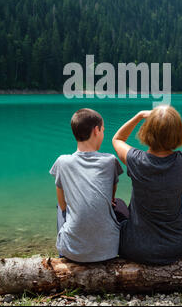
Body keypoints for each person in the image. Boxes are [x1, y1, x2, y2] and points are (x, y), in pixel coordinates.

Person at [112, 106, 182, 265]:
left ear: (148, 131)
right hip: (175, 247)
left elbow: (118, 139)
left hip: (135, 248)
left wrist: (139, 115)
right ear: (178, 133)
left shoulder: (136, 160)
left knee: (118, 204)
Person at [49, 108, 126, 262]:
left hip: (73, 252)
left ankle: (63, 255)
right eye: (103, 130)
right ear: (96, 130)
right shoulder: (110, 161)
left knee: (60, 208)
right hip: (109, 250)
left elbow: (63, 205)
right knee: (120, 203)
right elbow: (110, 198)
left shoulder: (62, 162)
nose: (103, 134)